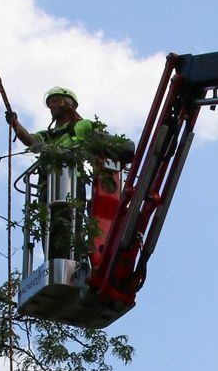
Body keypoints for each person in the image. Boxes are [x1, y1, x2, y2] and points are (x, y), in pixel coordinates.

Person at [7, 86, 130, 261]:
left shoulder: (81, 126)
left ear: (68, 104)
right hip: (47, 187)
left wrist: (119, 148)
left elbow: (102, 140)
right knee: (50, 233)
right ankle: (54, 264)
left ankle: (72, 262)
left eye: (55, 101)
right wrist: (15, 125)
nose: (51, 106)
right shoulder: (50, 134)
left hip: (71, 185)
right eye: (49, 103)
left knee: (69, 229)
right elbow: (32, 141)